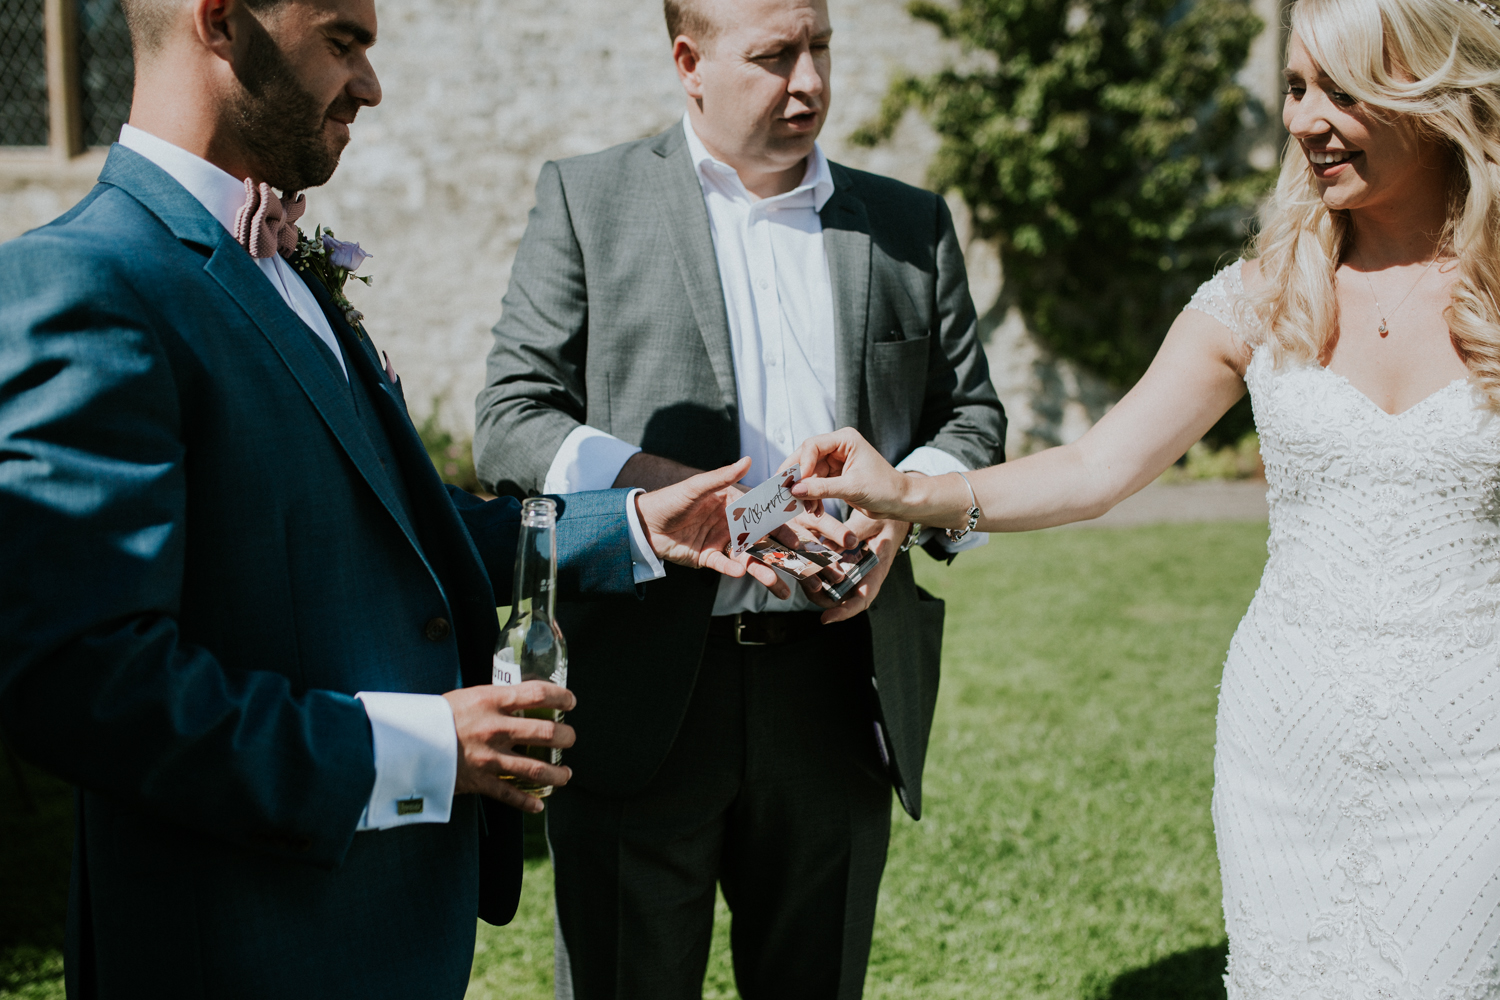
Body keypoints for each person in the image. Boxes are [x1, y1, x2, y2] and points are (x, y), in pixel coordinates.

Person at [0, 0, 785, 996]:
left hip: (390, 935)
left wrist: (632, 527)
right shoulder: (85, 282)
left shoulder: (276, 262)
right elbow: (83, 682)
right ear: (221, 22)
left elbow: (390, 526)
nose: (371, 85)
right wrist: (418, 748)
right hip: (251, 946)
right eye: (343, 41)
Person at [789, 0, 1500, 993]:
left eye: (1342, 90)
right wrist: (909, 489)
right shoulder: (1263, 295)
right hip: (1286, 752)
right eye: (1295, 87)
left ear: (1429, 93)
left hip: (1473, 758)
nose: (1305, 120)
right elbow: (1094, 468)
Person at [472, 0, 1005, 994]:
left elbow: (970, 417)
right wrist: (655, 491)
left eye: (821, 50)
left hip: (836, 688)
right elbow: (509, 420)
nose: (809, 82)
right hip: (644, 686)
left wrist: (903, 507)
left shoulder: (907, 223)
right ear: (689, 62)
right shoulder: (590, 202)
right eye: (774, 57)